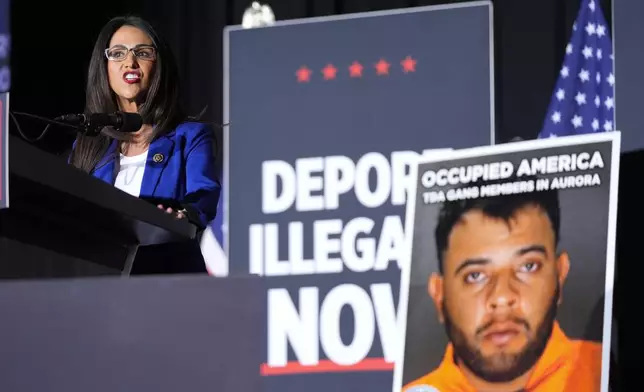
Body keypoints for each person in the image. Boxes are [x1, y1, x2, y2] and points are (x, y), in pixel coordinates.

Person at [404, 187, 603, 392]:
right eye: (475, 276)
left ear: (559, 276)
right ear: (439, 295)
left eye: (528, 266)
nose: (502, 297)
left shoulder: (610, 372)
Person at [68, 16, 220, 274]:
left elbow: (203, 196)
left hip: (168, 276)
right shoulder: (87, 145)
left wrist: (184, 215)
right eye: (117, 53)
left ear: (159, 66)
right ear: (104, 68)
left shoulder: (189, 137)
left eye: (142, 52)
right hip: (100, 282)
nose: (130, 62)